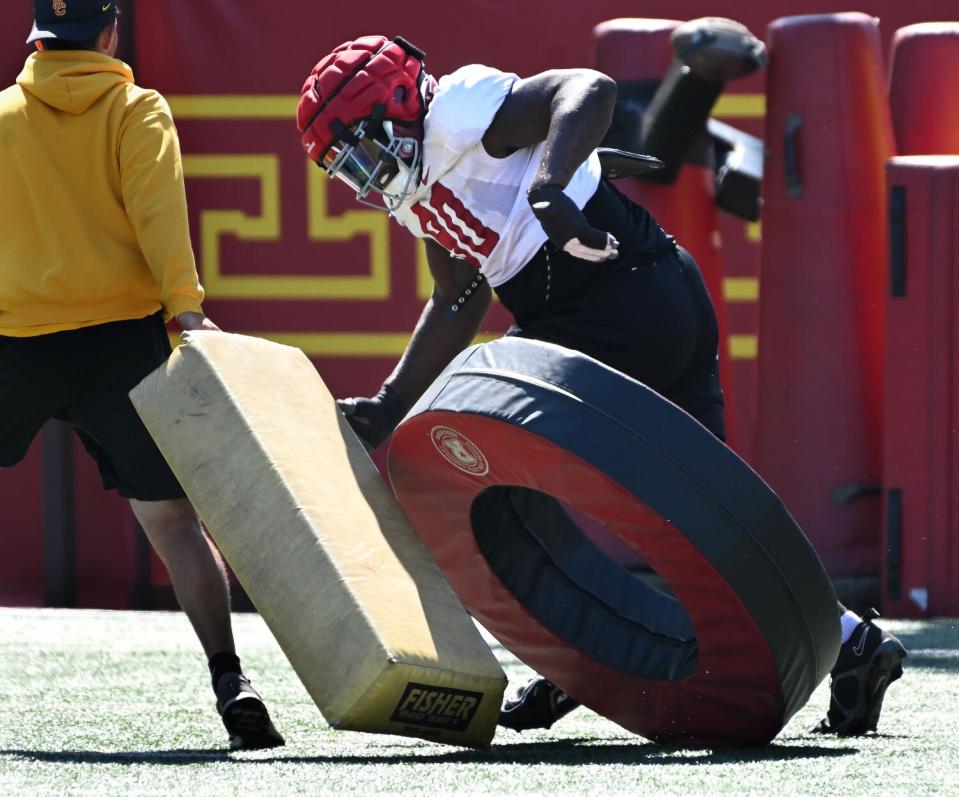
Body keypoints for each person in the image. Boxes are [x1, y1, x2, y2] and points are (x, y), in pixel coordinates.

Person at [296, 34, 906, 737]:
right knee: (707, 522)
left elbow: (585, 87)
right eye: (347, 170)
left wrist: (551, 187)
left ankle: (575, 660)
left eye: (365, 154)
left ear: (402, 105)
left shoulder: (457, 112)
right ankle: (851, 642)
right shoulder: (421, 183)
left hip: (612, 305)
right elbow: (458, 294)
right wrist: (390, 399)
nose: (366, 181)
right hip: (654, 291)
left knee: (492, 452)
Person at [0, 1, 284, 750]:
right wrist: (187, 311)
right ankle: (231, 679)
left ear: (35, 39)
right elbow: (159, 212)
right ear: (110, 34)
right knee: (171, 522)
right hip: (121, 345)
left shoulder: (0, 117)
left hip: (14, 341)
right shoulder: (136, 108)